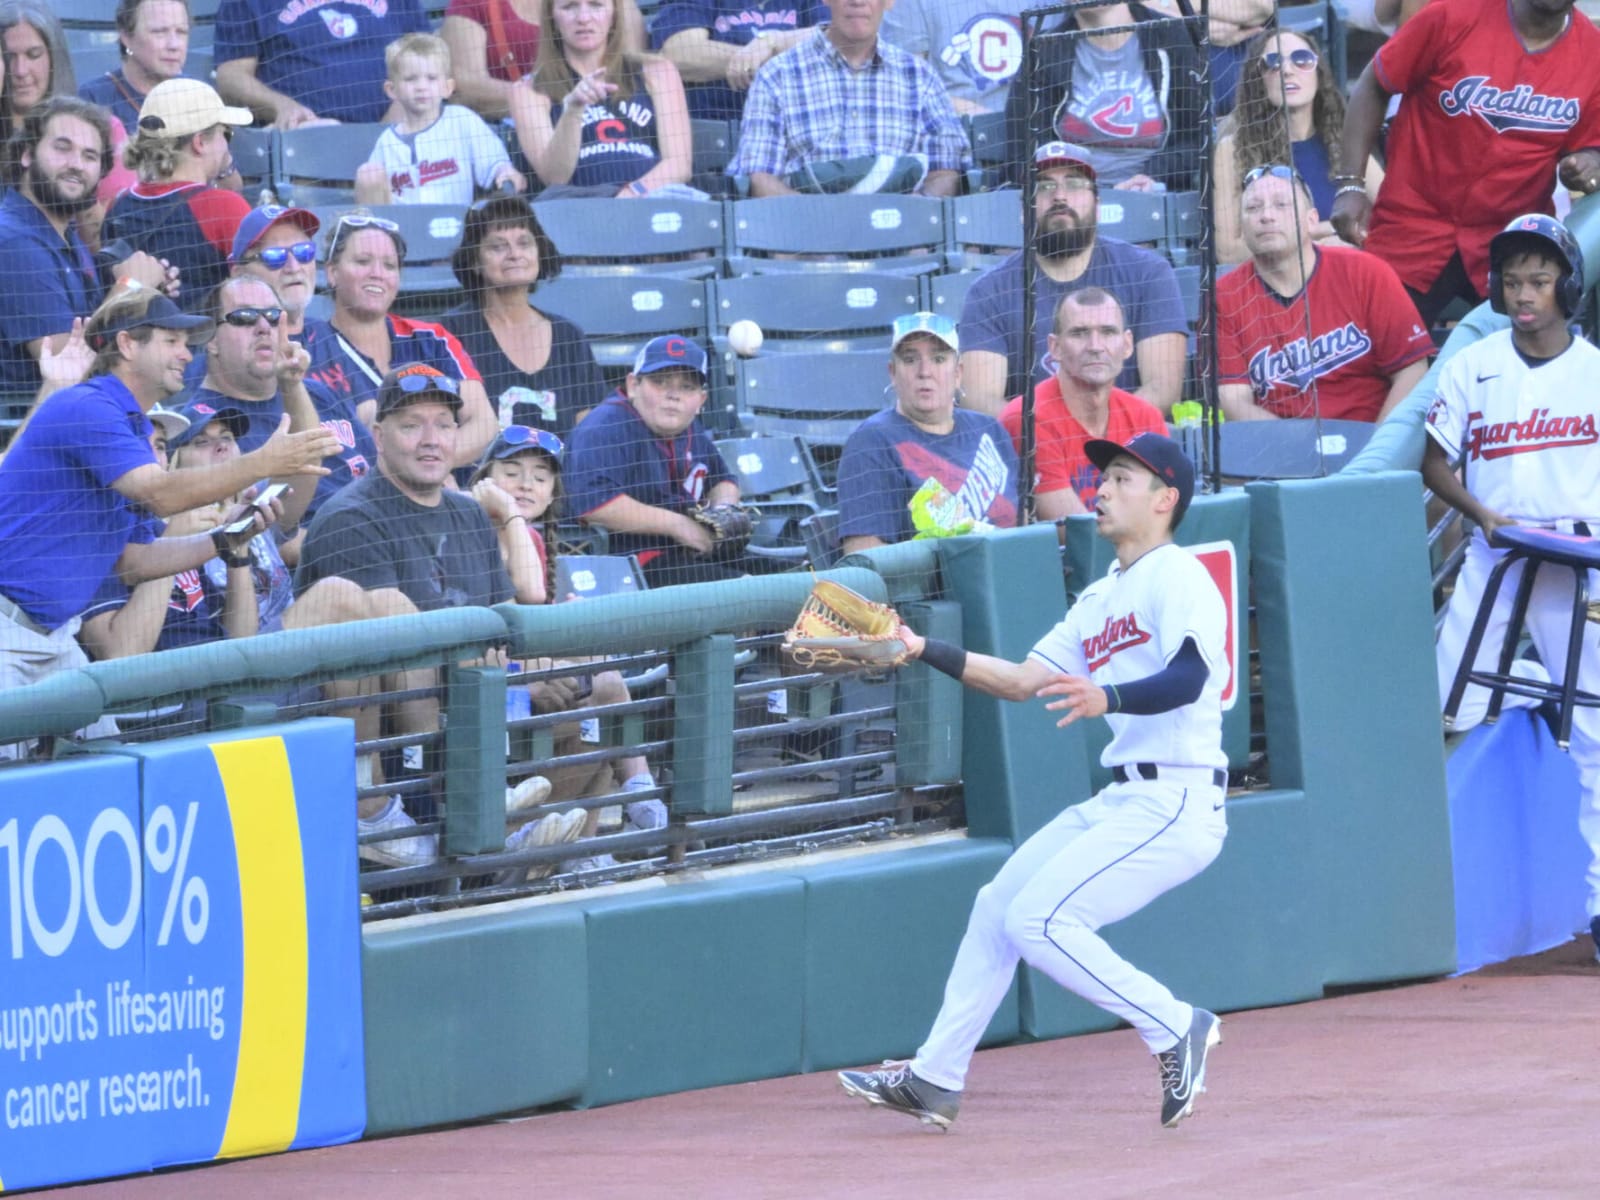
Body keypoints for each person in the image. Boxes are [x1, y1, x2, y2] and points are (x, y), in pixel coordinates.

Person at [837, 431, 1229, 1131]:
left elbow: (1191, 677)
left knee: (1040, 919)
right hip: (1124, 798)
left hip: (1178, 796)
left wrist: (1107, 697)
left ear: (1165, 499)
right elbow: (1019, 681)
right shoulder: (1100, 596)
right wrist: (919, 647)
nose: (1101, 490)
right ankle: (934, 1079)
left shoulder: (1181, 575)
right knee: (999, 905)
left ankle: (1174, 1024)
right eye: (1101, 477)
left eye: (1120, 478)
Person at [0, 286, 336, 752]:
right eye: (171, 340)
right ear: (127, 345)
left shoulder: (133, 428)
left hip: (54, 638)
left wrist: (228, 538)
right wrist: (263, 460)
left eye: (188, 341)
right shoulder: (88, 406)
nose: (186, 352)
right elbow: (158, 496)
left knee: (101, 769)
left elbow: (133, 562)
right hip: (7, 630)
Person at [1422, 213, 1600, 968]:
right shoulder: (1476, 362)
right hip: (1499, 550)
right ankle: (1530, 682)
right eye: (1513, 281)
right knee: (1445, 703)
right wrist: (1478, 514)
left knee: (1598, 732)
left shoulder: (1593, 367)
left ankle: (1597, 905)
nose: (1524, 293)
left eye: (1538, 279)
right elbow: (1433, 464)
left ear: (1567, 284)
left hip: (1581, 554)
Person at [292, 364, 522, 866]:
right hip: (384, 720)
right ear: (378, 436)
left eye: (443, 424)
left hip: (464, 690)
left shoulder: (467, 514)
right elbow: (388, 650)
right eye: (411, 424)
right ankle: (425, 813)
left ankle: (516, 852)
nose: (431, 440)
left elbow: (503, 616)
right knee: (407, 617)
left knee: (587, 683)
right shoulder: (352, 515)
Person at [1330, 0, 1600, 327]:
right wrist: (1350, 183)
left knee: (1522, 363)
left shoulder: (1592, 54)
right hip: (1415, 225)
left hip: (1512, 241)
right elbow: (1375, 82)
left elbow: (1590, 146)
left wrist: (1587, 163)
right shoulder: (1451, 15)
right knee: (1374, 348)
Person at [470, 424, 666, 870]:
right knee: (600, 701)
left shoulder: (533, 538)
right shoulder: (472, 529)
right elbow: (516, 609)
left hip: (523, 682)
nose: (525, 484)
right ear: (484, 478)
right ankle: (633, 797)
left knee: (599, 674)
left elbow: (534, 618)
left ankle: (586, 845)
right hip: (478, 691)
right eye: (512, 471)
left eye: (541, 477)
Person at [959, 142, 1188, 416]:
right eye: (1043, 186)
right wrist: (1053, 440)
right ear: (1023, 211)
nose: (1059, 197)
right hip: (1032, 452)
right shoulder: (989, 292)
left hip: (1125, 450)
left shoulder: (1148, 273)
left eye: (1074, 183)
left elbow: (1163, 389)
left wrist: (1098, 439)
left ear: (1098, 204)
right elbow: (981, 402)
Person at [1216, 165, 1432, 423]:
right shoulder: (1225, 296)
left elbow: (1412, 370)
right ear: (1242, 227)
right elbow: (1233, 399)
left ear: (1311, 221)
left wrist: (1378, 448)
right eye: (1253, 208)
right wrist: (1294, 450)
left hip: (1372, 439)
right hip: (1281, 450)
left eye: (1281, 204)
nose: (1266, 216)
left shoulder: (1365, 272)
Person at [0, 97, 178, 395]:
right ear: (28, 154)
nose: (75, 165)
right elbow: (66, 371)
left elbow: (93, 336)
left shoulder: (65, 232)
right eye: (62, 147)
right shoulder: (16, 241)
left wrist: (143, 295)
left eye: (89, 156)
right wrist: (129, 289)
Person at [300, 209, 497, 469]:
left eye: (389, 265)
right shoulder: (308, 349)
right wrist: (409, 475)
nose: (377, 273)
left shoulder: (432, 339)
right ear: (333, 272)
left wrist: (429, 469)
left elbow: (484, 423)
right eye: (362, 261)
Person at [188, 273, 375, 536]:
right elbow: (267, 541)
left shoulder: (318, 393)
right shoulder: (203, 429)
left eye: (274, 316)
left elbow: (378, 472)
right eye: (245, 317)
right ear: (211, 339)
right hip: (318, 564)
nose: (264, 326)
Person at [725, 0, 971, 198]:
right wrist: (817, 224)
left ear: (890, 2)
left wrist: (915, 213)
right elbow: (759, 176)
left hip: (901, 236)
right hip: (806, 239)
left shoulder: (920, 76)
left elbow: (945, 170)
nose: (857, 2)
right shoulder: (776, 75)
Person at [564, 334, 749, 588]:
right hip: (624, 566)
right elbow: (595, 505)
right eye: (660, 382)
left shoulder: (689, 429)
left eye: (687, 387)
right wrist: (679, 526)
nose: (674, 395)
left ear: (701, 401)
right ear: (633, 385)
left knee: (791, 576)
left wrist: (723, 510)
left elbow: (724, 480)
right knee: (745, 591)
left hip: (682, 557)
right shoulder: (605, 427)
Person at [836, 311, 1017, 555]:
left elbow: (1025, 524)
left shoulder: (990, 430)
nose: (924, 371)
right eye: (910, 360)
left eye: (939, 359)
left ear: (958, 373)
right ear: (893, 373)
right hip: (934, 590)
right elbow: (863, 555)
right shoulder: (872, 441)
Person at [440, 194, 606, 440]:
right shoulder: (450, 333)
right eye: (498, 246)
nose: (514, 254)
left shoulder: (568, 336)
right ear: (474, 261)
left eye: (524, 243)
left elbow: (589, 438)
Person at [1212, 28, 1383, 265]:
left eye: (1302, 60)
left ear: (1318, 74)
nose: (1287, 70)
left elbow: (1394, 214)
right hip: (1274, 285)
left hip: (1348, 275)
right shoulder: (1231, 150)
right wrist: (1318, 239)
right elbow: (1227, 252)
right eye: (1273, 62)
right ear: (1258, 79)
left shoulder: (1345, 142)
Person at [998, 1, 1204, 192]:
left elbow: (1197, 138)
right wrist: (1075, 186)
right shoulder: (1044, 49)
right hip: (1068, 201)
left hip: (1156, 196)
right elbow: (1023, 147)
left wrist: (1152, 176)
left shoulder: (1171, 36)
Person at [999, 288, 1165, 518]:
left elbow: (1166, 510)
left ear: (1127, 345)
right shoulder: (1027, 417)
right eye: (1079, 333)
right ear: (1054, 347)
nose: (1095, 346)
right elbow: (1073, 530)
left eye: (1108, 332)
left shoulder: (1146, 417)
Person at [511, 0, 693, 199]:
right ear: (552, 18)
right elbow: (555, 177)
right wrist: (573, 112)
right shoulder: (529, 90)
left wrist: (631, 193)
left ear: (614, 14)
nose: (584, 18)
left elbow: (679, 165)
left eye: (596, 5)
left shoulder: (657, 71)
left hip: (651, 202)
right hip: (575, 209)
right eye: (569, 7)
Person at [103, 79, 254, 312]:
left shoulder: (120, 203)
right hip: (201, 341)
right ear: (200, 142)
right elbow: (257, 291)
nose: (227, 145)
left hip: (134, 342)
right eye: (226, 134)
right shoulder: (223, 206)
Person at [355, 33, 524, 207]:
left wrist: (504, 171)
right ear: (392, 90)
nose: (422, 87)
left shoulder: (461, 120)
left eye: (431, 78)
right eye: (411, 79)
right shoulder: (386, 143)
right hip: (405, 230)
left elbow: (494, 162)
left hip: (458, 226)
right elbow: (375, 198)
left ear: (447, 87)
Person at [1, 1, 137, 215]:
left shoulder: (103, 131)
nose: (20, 70)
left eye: (33, 55)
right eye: (8, 57)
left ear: (55, 57)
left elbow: (122, 228)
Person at [212, 0, 431, 128]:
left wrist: (403, 107)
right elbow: (231, 77)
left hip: (400, 133)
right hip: (306, 141)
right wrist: (281, 106)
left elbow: (428, 54)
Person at [439, 0, 645, 120]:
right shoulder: (473, 3)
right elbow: (466, 84)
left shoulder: (618, 4)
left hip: (612, 123)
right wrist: (563, 101)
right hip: (510, 133)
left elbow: (632, 76)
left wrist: (569, 102)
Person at [651, 0, 825, 121]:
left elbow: (838, 39)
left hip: (800, 126)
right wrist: (758, 54)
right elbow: (680, 54)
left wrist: (773, 42)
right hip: (719, 135)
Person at [878, 0, 1024, 117]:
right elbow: (903, 89)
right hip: (956, 134)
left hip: (1036, 131)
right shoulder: (910, 4)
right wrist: (982, 119)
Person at [79, 0, 194, 135]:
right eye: (159, 32)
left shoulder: (199, 95)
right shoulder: (94, 99)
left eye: (181, 32)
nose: (174, 45)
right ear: (127, 37)